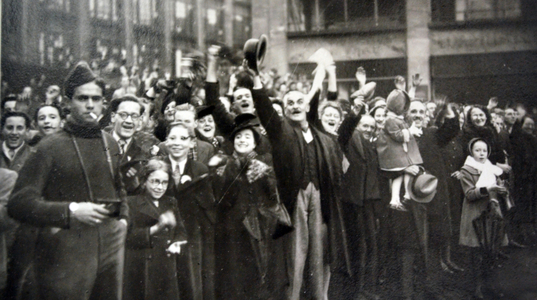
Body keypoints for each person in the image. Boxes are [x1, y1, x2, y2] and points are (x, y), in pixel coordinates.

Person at [7, 61, 128, 300]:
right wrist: (71, 211)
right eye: (82, 98)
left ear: (104, 102)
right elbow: (19, 203)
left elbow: (119, 187)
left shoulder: (109, 142)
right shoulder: (49, 146)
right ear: (68, 102)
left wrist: (124, 220)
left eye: (96, 98)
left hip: (109, 249)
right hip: (65, 255)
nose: (90, 104)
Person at [250, 63, 347, 300]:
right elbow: (264, 109)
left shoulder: (321, 136)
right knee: (294, 257)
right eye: (289, 103)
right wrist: (255, 79)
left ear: (307, 106)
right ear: (284, 109)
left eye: (299, 102)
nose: (294, 106)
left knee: (320, 256)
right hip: (295, 202)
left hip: (320, 201)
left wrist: (320, 80)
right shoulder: (282, 131)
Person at [211, 114, 291, 299]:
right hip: (233, 228)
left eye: (247, 137)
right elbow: (222, 198)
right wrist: (235, 168)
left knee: (262, 274)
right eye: (238, 137)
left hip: (261, 226)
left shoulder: (265, 161)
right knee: (235, 276)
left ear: (255, 142)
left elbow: (273, 195)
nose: (242, 140)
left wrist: (263, 173)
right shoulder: (224, 162)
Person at [163, 123, 216, 300]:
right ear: (166, 141)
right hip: (164, 232)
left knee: (191, 282)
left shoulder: (200, 169)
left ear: (192, 143)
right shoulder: (159, 167)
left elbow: (208, 206)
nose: (177, 143)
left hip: (192, 234)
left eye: (183, 138)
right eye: (172, 138)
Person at [123, 158, 187, 300]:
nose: (160, 187)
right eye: (155, 181)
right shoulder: (131, 203)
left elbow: (181, 231)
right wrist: (158, 227)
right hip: (141, 269)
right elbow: (127, 237)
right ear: (144, 181)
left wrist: (177, 242)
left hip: (166, 266)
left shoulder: (170, 202)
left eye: (164, 182)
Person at [459, 138, 507, 299]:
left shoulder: (491, 169)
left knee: (491, 251)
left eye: (484, 151)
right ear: (471, 152)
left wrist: (502, 191)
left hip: (491, 214)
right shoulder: (466, 170)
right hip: (476, 215)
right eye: (478, 150)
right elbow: (469, 194)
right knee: (477, 254)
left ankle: (490, 285)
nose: (481, 153)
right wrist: (488, 189)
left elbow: (499, 188)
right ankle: (476, 288)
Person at [376, 89, 423, 211]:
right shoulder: (391, 120)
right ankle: (399, 197)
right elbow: (398, 135)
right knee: (401, 173)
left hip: (399, 153)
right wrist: (410, 132)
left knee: (403, 173)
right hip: (395, 154)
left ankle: (399, 198)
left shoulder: (397, 119)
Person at [108, 95, 148, 194]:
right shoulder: (98, 142)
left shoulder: (145, 151)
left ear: (140, 120)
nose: (129, 121)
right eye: (123, 115)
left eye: (134, 116)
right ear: (113, 117)